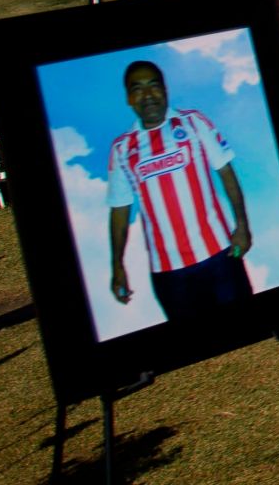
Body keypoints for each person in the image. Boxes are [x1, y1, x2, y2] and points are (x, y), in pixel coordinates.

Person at [107, 61, 254, 319]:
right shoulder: (121, 149)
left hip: (219, 256)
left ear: (165, 90)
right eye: (138, 89)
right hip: (169, 274)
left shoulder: (193, 123)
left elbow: (227, 174)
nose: (148, 95)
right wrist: (117, 264)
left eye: (154, 86)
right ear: (129, 98)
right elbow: (119, 211)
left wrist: (242, 226)